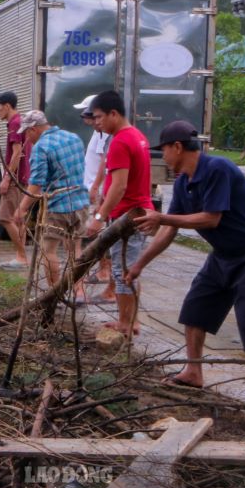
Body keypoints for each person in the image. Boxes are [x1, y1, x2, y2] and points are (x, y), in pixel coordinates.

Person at [124, 121, 245, 388]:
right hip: (223, 254)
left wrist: (162, 216)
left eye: (163, 150)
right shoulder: (182, 184)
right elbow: (169, 229)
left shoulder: (217, 168)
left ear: (177, 147)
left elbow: (212, 219)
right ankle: (193, 372)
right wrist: (139, 264)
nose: (162, 157)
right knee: (195, 309)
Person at [85, 90, 154, 335]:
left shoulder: (121, 141)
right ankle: (130, 319)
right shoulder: (137, 136)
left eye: (100, 117)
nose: (97, 122)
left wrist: (99, 217)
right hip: (138, 211)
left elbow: (119, 185)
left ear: (114, 113)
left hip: (128, 216)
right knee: (129, 268)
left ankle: (127, 322)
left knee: (123, 270)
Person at [14, 110, 89, 302]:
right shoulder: (74, 138)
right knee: (75, 250)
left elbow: (36, 183)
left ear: (34, 129)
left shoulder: (41, 147)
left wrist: (22, 208)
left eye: (27, 133)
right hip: (80, 203)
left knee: (48, 251)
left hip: (58, 206)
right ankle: (79, 292)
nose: (27, 138)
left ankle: (55, 295)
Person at [75, 94, 116, 303]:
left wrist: (95, 188)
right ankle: (104, 270)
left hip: (98, 190)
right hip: (93, 187)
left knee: (98, 233)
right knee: (97, 233)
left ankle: (105, 270)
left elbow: (104, 163)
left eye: (89, 115)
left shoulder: (106, 136)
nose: (87, 119)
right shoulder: (98, 134)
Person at [0, 92, 30, 269]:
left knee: (4, 217)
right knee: (18, 218)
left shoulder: (15, 124)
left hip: (16, 178)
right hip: (24, 177)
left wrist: (7, 178)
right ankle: (21, 256)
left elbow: (17, 153)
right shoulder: (20, 121)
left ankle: (22, 256)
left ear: (7, 106)